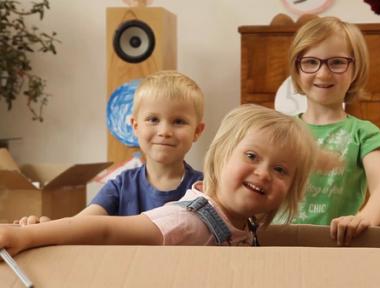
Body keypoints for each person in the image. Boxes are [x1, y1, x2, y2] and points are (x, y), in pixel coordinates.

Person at [0, 104, 317, 255]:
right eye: (251, 156)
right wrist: (30, 237)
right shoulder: (188, 221)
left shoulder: (242, 221)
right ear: (220, 156)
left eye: (281, 170)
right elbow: (106, 230)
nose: (263, 172)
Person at [15, 70, 205, 225]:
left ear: (197, 131)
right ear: (135, 127)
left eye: (178, 121)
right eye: (153, 119)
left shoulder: (205, 188)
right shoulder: (121, 185)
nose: (164, 131)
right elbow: (79, 226)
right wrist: (44, 229)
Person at [284, 16, 380, 245]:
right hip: (278, 242)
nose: (323, 74)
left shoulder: (364, 133)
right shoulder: (281, 130)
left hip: (338, 245)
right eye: (311, 62)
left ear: (355, 68)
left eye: (336, 63)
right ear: (297, 68)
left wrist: (363, 219)